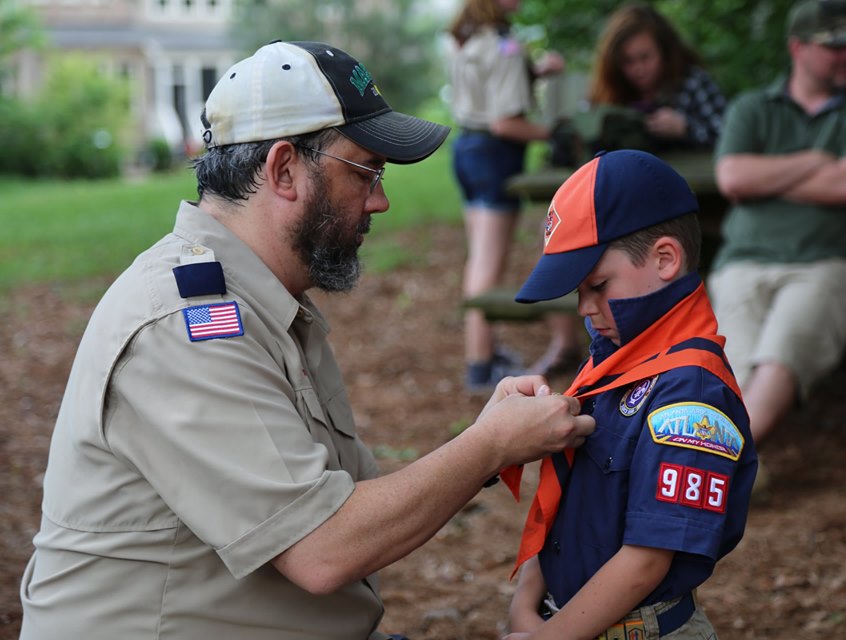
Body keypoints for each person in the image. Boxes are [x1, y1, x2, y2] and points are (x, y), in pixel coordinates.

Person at [18, 41, 596, 640]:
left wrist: (486, 438)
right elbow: (322, 549)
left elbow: (349, 502)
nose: (382, 199)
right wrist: (489, 447)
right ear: (284, 170)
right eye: (368, 170)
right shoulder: (183, 325)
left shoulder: (265, 301)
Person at [501, 150, 757, 639]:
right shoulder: (613, 359)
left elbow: (646, 561)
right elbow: (568, 503)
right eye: (578, 292)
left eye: (597, 285)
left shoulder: (692, 394)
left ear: (665, 259)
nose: (585, 308)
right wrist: (526, 601)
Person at [708, 0, 846, 455]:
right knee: (732, 370)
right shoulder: (753, 108)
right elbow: (732, 178)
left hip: (824, 267)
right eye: (835, 46)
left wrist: (766, 179)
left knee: (780, 357)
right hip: (743, 265)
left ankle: (721, 464)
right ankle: (732, 470)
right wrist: (815, 161)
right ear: (798, 48)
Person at [448, 0, 583, 392]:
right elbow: (505, 122)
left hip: (467, 149)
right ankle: (480, 365)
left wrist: (536, 72)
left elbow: (489, 94)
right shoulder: (505, 44)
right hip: (494, 155)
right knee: (487, 266)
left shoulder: (473, 36)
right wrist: (556, 131)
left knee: (478, 260)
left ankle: (485, 352)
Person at [587, 2, 727, 150]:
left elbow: (729, 136)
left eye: (645, 57)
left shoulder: (692, 82)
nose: (638, 69)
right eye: (628, 61)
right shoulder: (609, 91)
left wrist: (685, 128)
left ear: (664, 52)